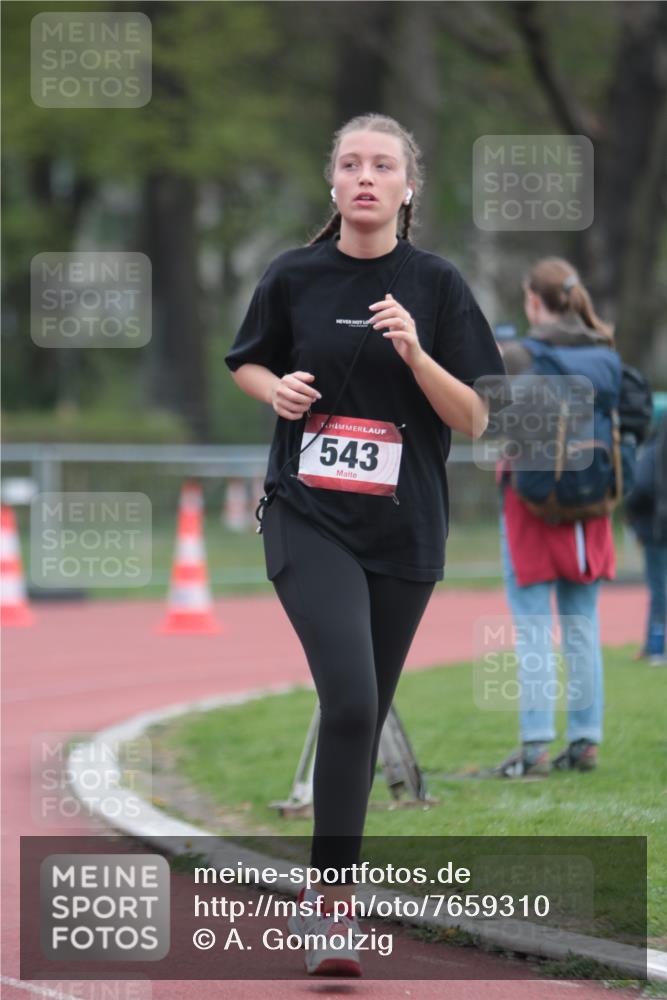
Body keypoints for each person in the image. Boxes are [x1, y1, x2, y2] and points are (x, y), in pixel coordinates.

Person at [225, 112, 504, 976]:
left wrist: (416, 354)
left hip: (404, 527)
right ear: (333, 183)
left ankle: (332, 886)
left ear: (407, 186)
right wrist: (276, 390)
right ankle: (331, 908)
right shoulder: (293, 275)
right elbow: (246, 359)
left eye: (382, 165)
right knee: (349, 700)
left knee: (364, 713)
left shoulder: (437, 284)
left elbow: (478, 416)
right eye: (350, 164)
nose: (365, 177)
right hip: (307, 515)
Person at [494, 258, 616, 779]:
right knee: (582, 624)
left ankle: (535, 748)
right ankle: (585, 741)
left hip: (531, 502)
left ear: (534, 302)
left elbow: (494, 419)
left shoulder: (521, 355)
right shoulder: (604, 351)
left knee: (533, 626)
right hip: (591, 504)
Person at [625, 399, 667, 666]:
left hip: (657, 531)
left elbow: (639, 490)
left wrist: (634, 518)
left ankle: (655, 648)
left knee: (659, 590)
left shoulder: (653, 451)